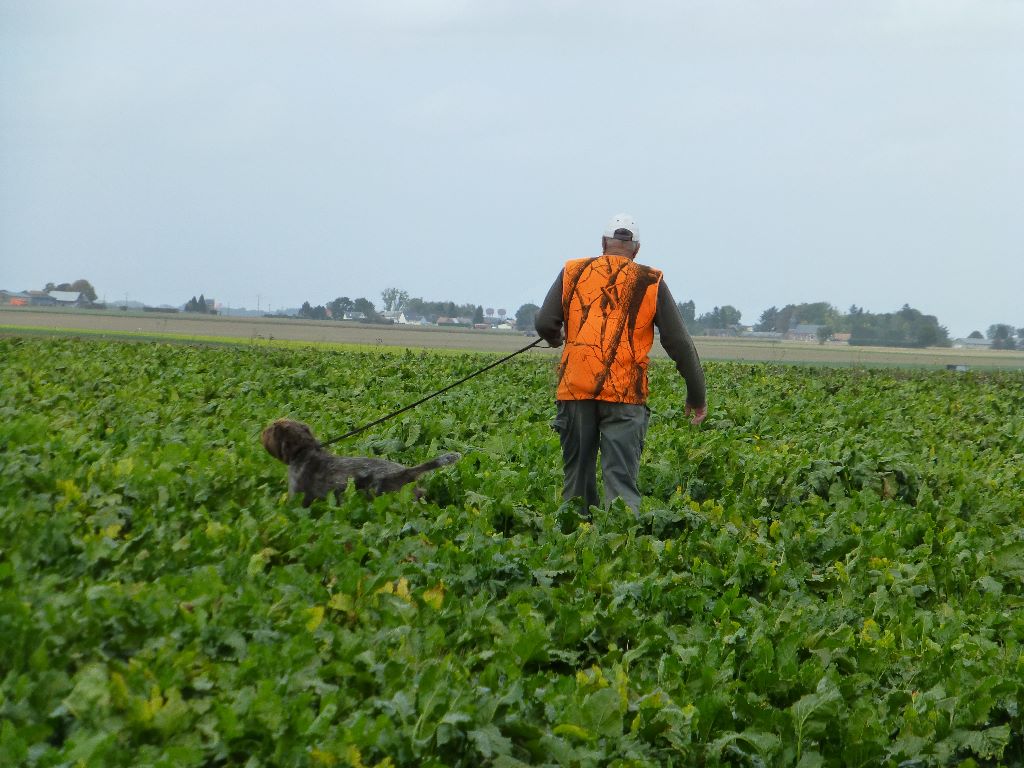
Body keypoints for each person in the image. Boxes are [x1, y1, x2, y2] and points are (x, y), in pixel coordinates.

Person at [534, 214, 707, 515]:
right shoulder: (650, 280)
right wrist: (696, 395)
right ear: (636, 249)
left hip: (576, 390)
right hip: (625, 394)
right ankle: (622, 547)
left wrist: (554, 337)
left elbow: (546, 322)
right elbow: (678, 342)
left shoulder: (573, 271)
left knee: (577, 478)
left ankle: (574, 543)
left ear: (603, 244)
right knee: (621, 481)